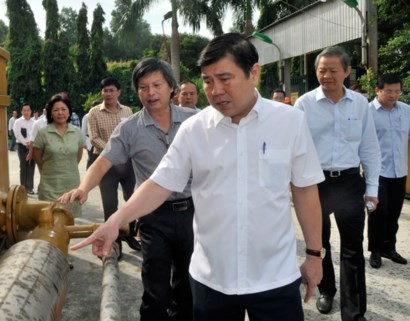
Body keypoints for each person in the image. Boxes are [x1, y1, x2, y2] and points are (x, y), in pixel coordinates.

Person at [70, 33, 324, 321]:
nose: (214, 90)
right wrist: (115, 221)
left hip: (274, 275)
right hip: (212, 279)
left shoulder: (289, 121)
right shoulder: (195, 128)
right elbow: (159, 182)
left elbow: (305, 190)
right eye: (207, 80)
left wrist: (314, 255)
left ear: (253, 72)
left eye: (224, 78)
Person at [60, 58, 197, 320]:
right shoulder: (130, 128)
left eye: (157, 84)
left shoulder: (195, 120)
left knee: (188, 282)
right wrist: (83, 188)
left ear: (171, 87)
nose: (150, 92)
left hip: (194, 212)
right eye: (143, 87)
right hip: (153, 216)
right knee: (156, 286)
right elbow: (102, 162)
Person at [295, 46, 380, 321]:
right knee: (318, 244)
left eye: (333, 70)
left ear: (346, 71)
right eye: (322, 70)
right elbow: (294, 148)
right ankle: (326, 290)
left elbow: (369, 148)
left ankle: (354, 312)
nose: (327, 76)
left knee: (353, 248)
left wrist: (373, 189)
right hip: (314, 183)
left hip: (349, 181)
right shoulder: (304, 105)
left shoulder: (360, 103)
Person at [88, 77, 140, 252]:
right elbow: (94, 138)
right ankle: (113, 242)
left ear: (119, 92)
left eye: (111, 90)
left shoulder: (128, 111)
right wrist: (113, 153)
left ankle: (130, 235)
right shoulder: (94, 112)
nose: (108, 94)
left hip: (127, 165)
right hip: (105, 166)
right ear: (101, 92)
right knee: (109, 205)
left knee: (132, 201)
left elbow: (133, 134)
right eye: (105, 90)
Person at [368, 73, 409, 268]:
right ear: (378, 90)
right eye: (388, 91)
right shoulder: (368, 112)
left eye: (397, 91)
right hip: (377, 173)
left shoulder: (406, 111)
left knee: (393, 213)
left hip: (399, 171)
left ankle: (388, 248)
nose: (393, 95)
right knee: (376, 213)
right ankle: (375, 250)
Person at [33, 94, 85, 216]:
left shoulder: (77, 132)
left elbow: (77, 157)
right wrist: (49, 170)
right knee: (49, 221)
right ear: (50, 113)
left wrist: (66, 167)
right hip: (49, 186)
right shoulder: (43, 133)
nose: (60, 113)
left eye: (63, 109)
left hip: (72, 185)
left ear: (69, 112)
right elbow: (38, 158)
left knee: (69, 221)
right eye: (56, 110)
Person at [13, 104, 36, 195]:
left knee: (31, 166)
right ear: (22, 112)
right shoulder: (18, 122)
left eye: (28, 110)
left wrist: (31, 144)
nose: (26, 112)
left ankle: (30, 187)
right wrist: (25, 143)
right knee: (23, 166)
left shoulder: (34, 122)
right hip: (22, 146)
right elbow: (17, 133)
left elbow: (35, 134)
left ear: (31, 111)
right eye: (24, 110)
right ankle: (23, 188)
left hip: (32, 146)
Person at [82, 100, 102, 169]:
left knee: (100, 159)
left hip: (100, 139)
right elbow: (83, 129)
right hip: (89, 139)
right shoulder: (87, 116)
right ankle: (88, 174)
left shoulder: (102, 115)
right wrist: (83, 142)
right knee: (91, 158)